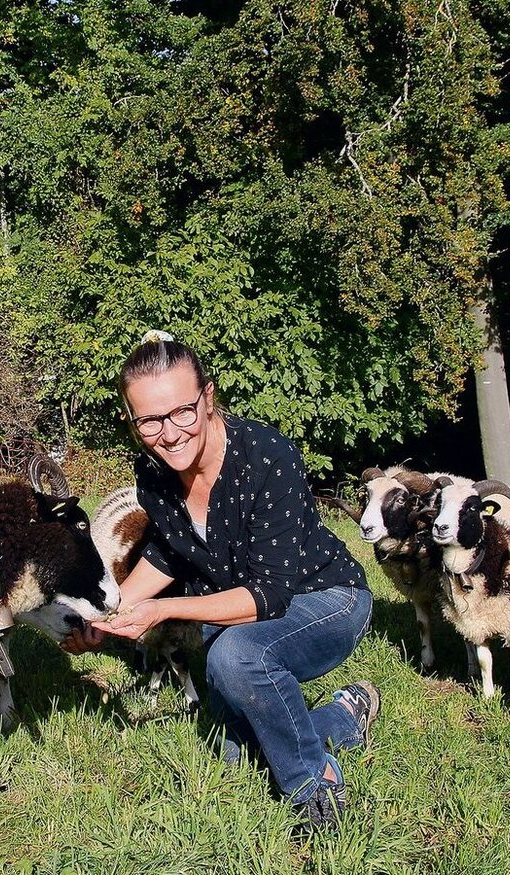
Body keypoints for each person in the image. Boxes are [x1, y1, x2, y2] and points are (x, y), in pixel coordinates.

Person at [62, 330, 379, 831]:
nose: (169, 434)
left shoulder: (267, 457)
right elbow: (168, 554)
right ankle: (344, 716)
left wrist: (163, 610)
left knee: (237, 658)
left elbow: (270, 595)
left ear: (208, 398)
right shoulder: (155, 475)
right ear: (132, 421)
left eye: (181, 411)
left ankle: (314, 787)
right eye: (148, 421)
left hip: (327, 599)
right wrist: (105, 617)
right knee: (240, 754)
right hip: (238, 618)